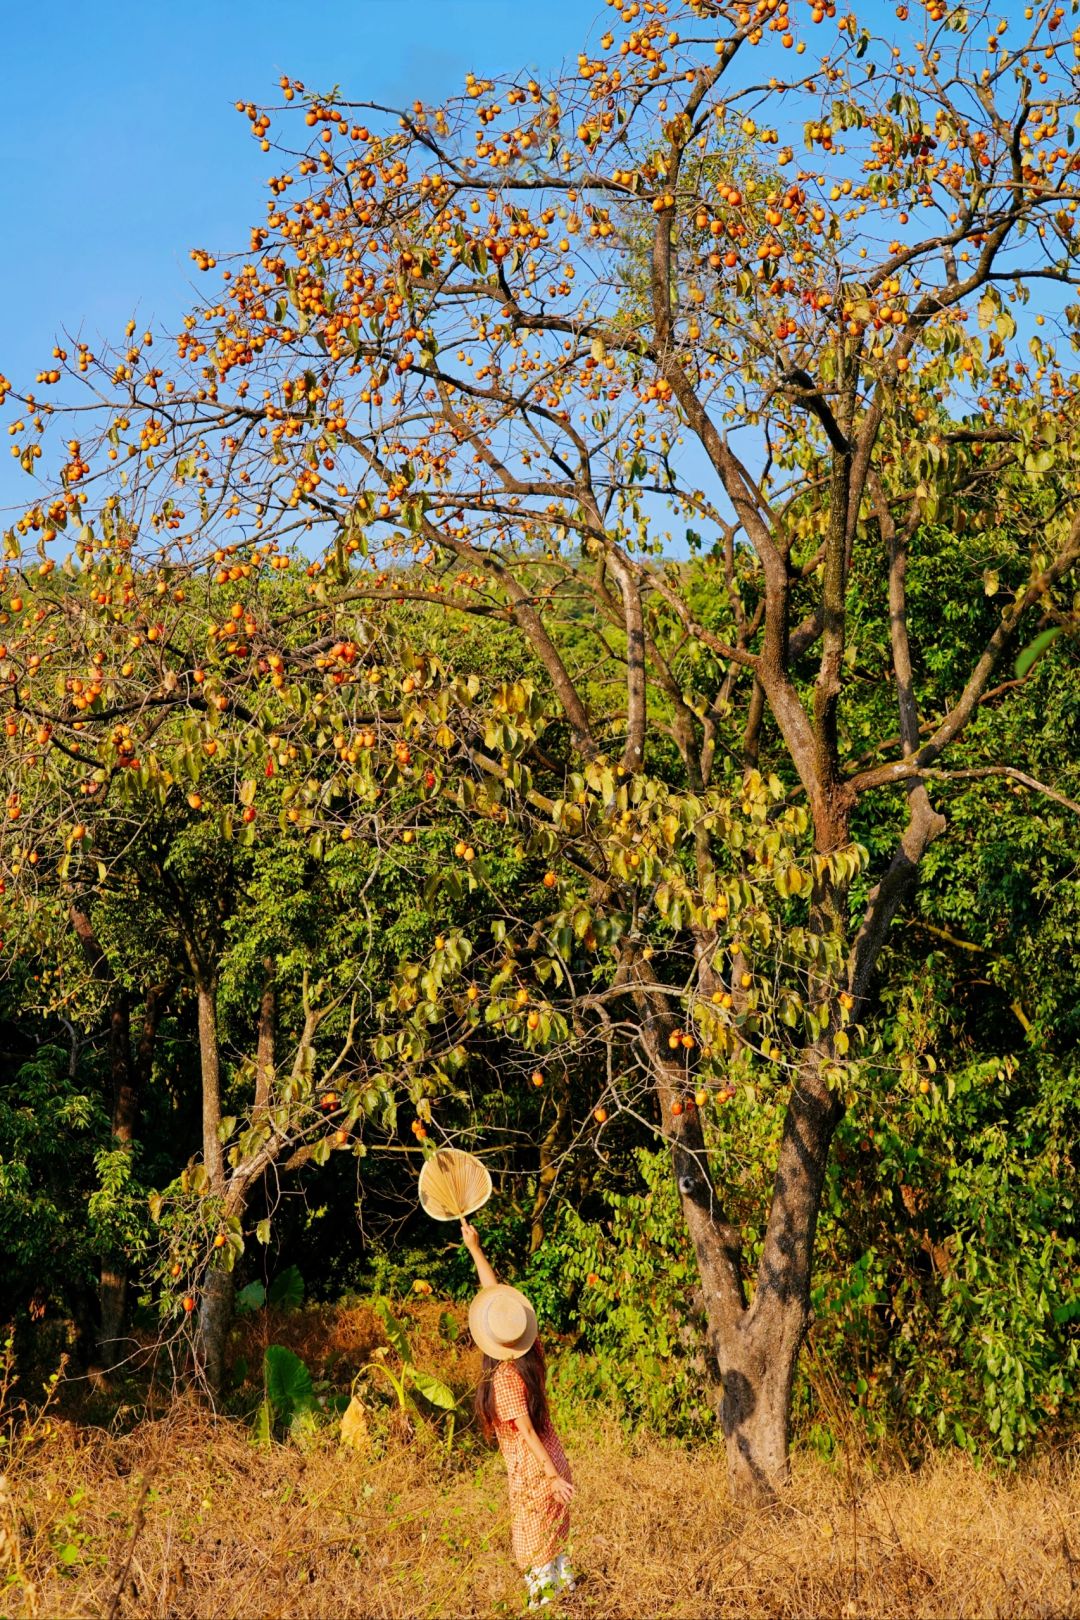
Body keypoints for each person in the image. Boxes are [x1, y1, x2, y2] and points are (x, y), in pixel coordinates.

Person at [461, 1218, 576, 1609]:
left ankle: (547, 1608)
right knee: (556, 1544)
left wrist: (550, 1476)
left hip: (536, 1471)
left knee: (536, 1551)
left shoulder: (504, 1376)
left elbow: (526, 1433)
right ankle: (568, 1603)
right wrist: (475, 1248)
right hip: (553, 1457)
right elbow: (495, 1300)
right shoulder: (531, 1354)